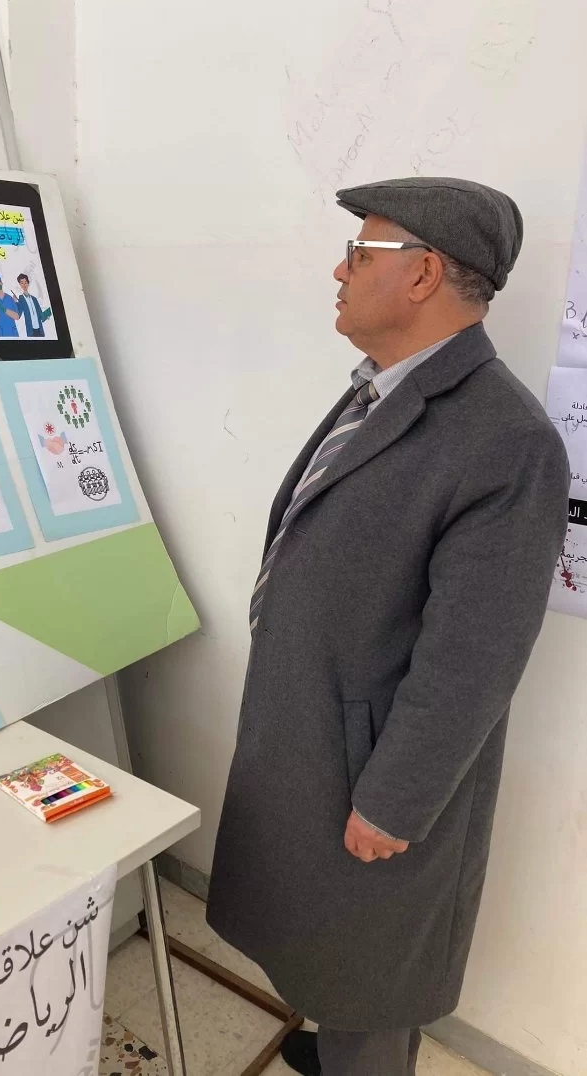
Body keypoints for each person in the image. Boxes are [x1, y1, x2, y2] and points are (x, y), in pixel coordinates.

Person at [206, 177, 570, 1076]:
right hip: (318, 729)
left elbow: (474, 654)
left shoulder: (505, 437)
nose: (339, 271)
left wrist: (395, 799)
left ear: (422, 273)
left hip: (376, 764)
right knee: (328, 941)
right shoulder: (380, 389)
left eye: (358, 253)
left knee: (373, 964)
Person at [14, 273, 51, 337]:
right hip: (31, 331)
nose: (24, 285)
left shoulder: (34, 299)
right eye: (22, 283)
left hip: (40, 330)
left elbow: (40, 314)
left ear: (28, 283)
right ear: (20, 285)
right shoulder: (21, 298)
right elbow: (18, 314)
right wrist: (15, 302)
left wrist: (47, 315)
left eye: (25, 282)